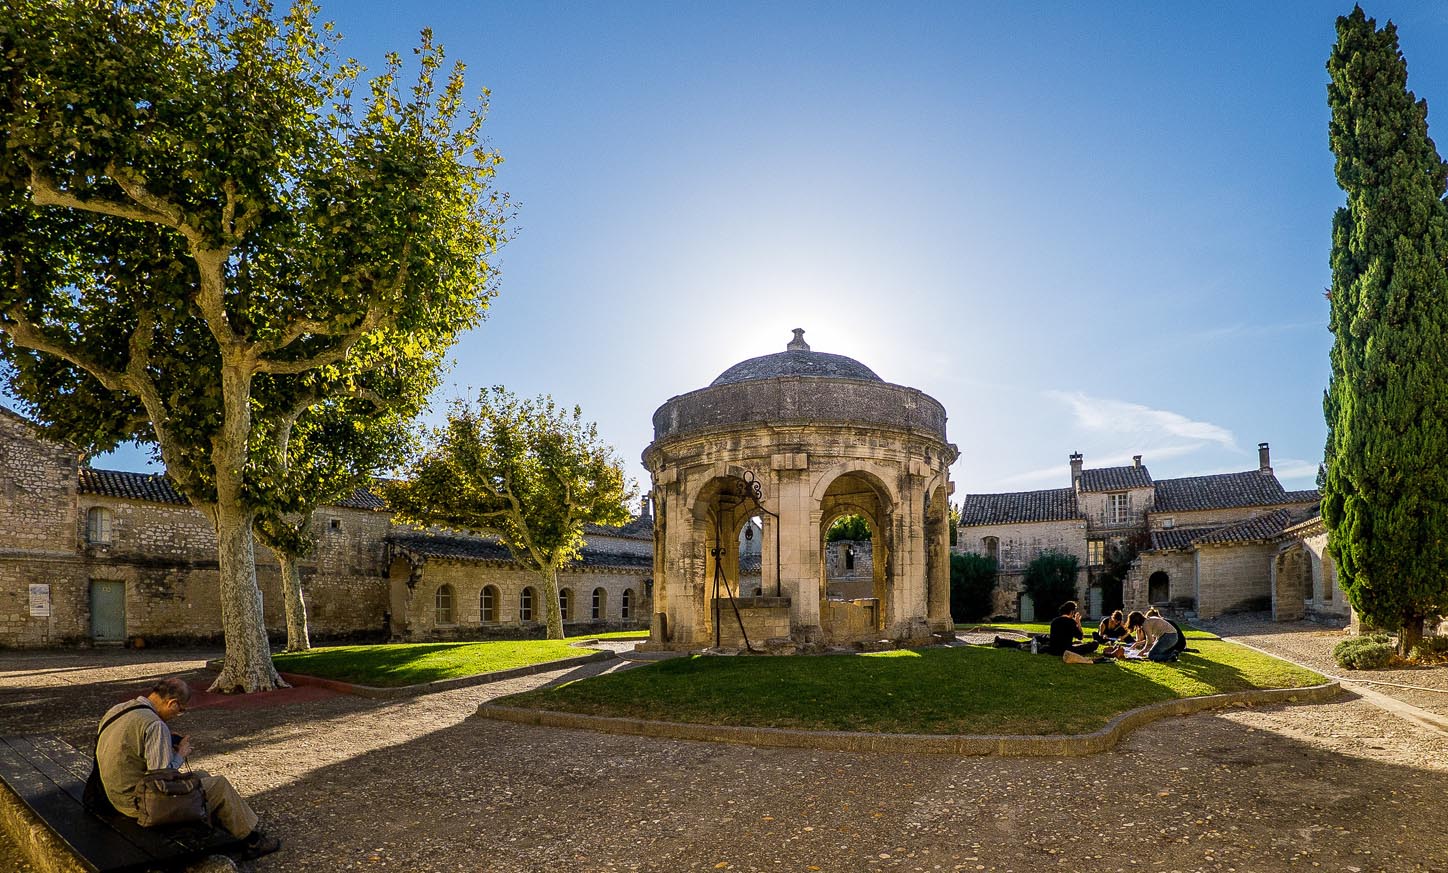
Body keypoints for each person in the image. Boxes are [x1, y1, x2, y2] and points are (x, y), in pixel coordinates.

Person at [95, 678, 281, 860]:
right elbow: (162, 779)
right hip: (137, 804)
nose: (178, 714)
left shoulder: (120, 709)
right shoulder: (154, 725)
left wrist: (165, 741)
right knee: (219, 785)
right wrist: (180, 755)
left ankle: (226, 826)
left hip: (114, 793)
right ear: (173, 703)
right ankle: (252, 841)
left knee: (202, 776)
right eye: (181, 710)